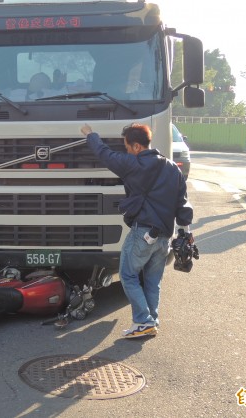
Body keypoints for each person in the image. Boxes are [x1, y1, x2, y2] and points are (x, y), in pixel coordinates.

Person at [80, 123, 193, 339]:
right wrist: (185, 232)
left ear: (137, 146)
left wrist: (90, 134)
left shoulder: (133, 164)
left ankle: (143, 321)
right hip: (164, 238)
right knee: (152, 281)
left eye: (128, 147)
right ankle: (152, 321)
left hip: (143, 233)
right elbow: (183, 204)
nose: (126, 151)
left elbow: (104, 154)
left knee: (128, 275)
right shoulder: (172, 168)